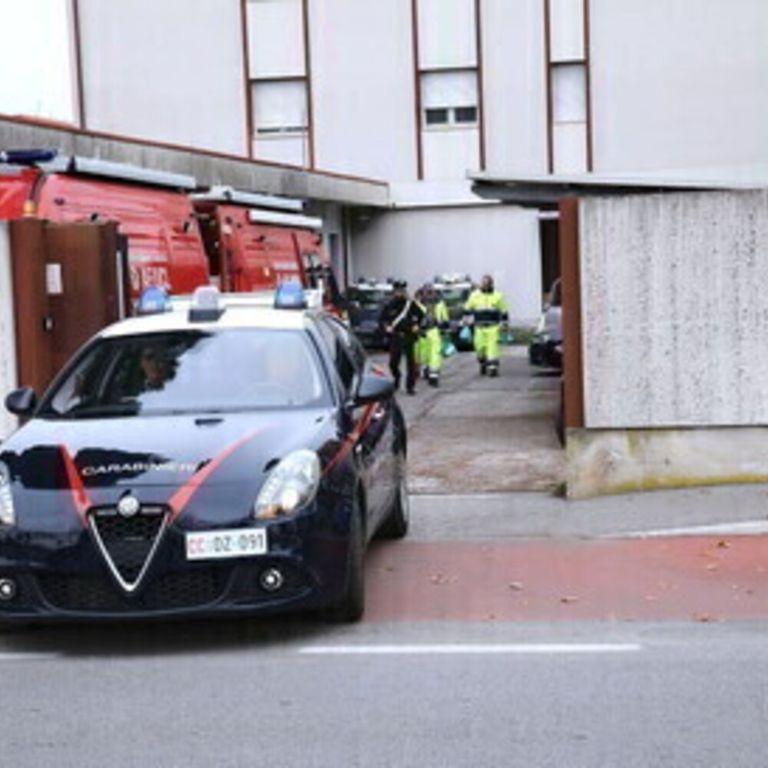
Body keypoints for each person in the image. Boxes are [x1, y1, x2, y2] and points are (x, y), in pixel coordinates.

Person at [378, 279, 425, 394]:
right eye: (398, 291)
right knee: (393, 363)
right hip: (396, 336)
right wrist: (386, 327)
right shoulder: (389, 305)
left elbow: (421, 315)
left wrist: (417, 325)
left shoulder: (410, 304)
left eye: (402, 290)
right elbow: (381, 320)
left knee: (411, 363)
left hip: (409, 336)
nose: (400, 293)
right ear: (394, 291)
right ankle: (397, 377)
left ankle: (410, 386)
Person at [464, 274, 509, 377]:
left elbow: (504, 310)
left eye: (487, 283)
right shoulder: (474, 295)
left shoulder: (498, 296)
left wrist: (504, 324)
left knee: (492, 347)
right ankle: (483, 361)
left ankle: (493, 367)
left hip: (493, 326)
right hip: (479, 327)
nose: (485, 285)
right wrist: (466, 319)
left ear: (491, 284)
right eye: (483, 283)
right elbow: (467, 308)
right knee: (480, 348)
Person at [419, 285, 450, 387]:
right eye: (427, 292)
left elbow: (445, 318)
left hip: (434, 330)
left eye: (431, 292)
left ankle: (434, 374)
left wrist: (444, 327)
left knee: (435, 352)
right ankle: (425, 368)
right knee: (424, 353)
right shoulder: (417, 304)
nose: (429, 295)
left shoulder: (440, 304)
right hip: (421, 332)